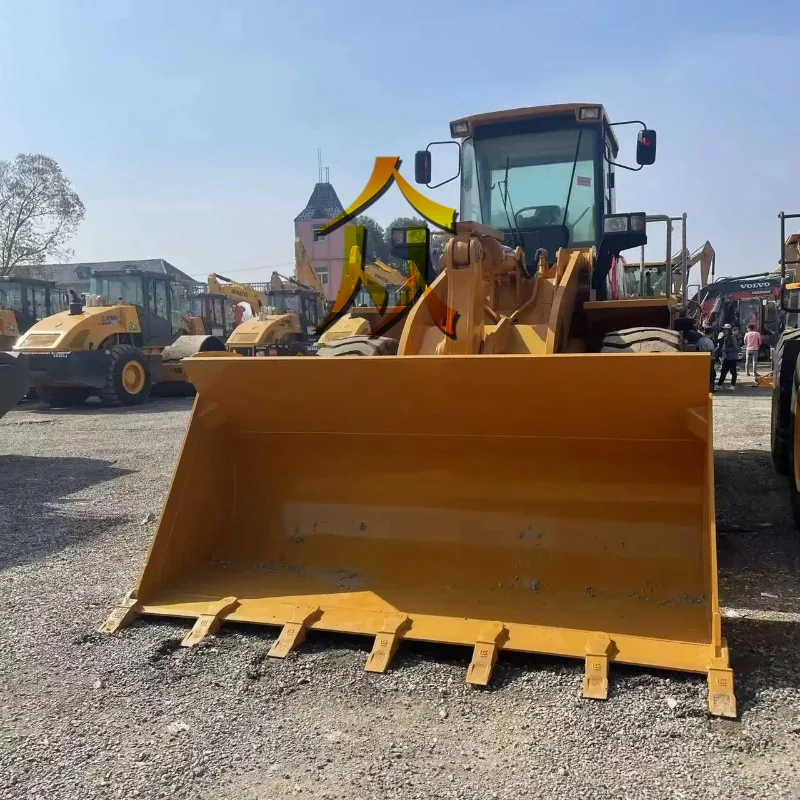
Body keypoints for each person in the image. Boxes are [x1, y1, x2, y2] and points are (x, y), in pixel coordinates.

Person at [716, 323, 740, 390]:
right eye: (724, 329)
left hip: (732, 357)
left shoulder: (732, 338)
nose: (725, 331)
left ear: (729, 330)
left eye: (726, 330)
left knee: (733, 371)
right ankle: (720, 385)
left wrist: (727, 350)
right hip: (726, 357)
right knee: (723, 371)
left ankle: (733, 385)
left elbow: (736, 348)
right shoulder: (725, 337)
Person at [695, 325, 717, 391]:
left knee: (703, 374)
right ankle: (711, 388)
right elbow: (711, 350)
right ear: (712, 333)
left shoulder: (700, 340)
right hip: (710, 359)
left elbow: (697, 348)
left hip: (701, 358)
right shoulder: (710, 341)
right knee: (711, 374)